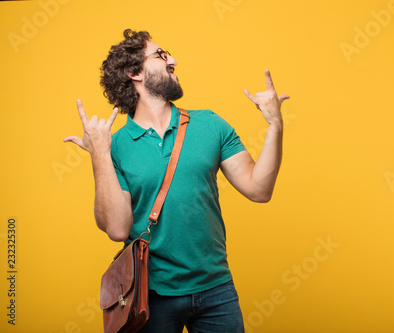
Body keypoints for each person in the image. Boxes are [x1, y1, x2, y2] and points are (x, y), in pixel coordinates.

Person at [64, 29, 289, 333]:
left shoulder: (210, 124)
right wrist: (100, 154)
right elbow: (117, 229)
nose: (174, 60)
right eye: (161, 55)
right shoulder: (115, 145)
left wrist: (275, 125)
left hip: (216, 289)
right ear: (134, 73)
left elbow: (259, 190)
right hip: (149, 295)